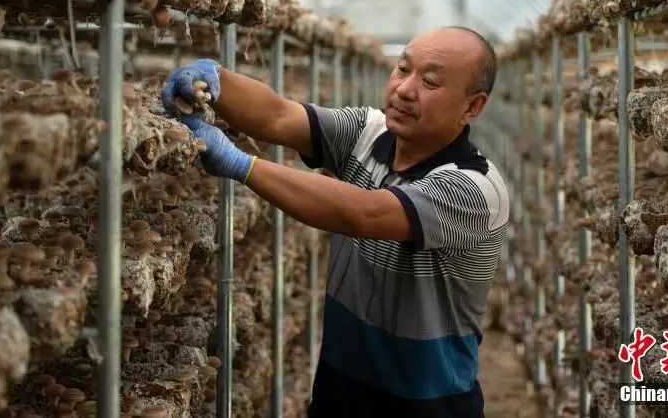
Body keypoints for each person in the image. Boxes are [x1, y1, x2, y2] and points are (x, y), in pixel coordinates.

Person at [161, 26, 510, 418]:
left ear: (472, 107)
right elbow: (278, 116)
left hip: (427, 404)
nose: (405, 89)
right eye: (402, 70)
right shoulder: (367, 130)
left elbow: (364, 212)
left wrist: (243, 165)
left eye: (429, 82)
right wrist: (217, 82)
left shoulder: (476, 188)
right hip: (339, 391)